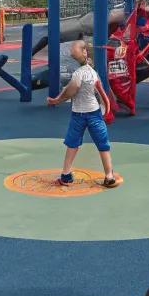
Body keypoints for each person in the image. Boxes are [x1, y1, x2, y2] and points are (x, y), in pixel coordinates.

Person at [47, 39, 118, 188]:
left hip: (79, 115)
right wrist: (106, 110)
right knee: (102, 144)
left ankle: (66, 175)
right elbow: (102, 93)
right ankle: (109, 175)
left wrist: (57, 100)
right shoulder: (92, 73)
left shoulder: (79, 74)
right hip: (94, 113)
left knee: (73, 144)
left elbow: (71, 90)